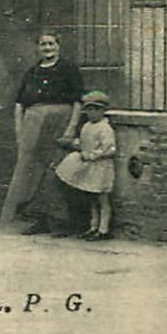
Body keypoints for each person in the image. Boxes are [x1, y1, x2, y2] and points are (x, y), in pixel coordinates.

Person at [6, 33, 85, 234]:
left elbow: (77, 102)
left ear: (58, 46)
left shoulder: (68, 69)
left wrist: (70, 129)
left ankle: (62, 222)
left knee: (57, 169)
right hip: (34, 126)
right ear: (38, 48)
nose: (47, 47)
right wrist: (19, 131)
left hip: (60, 124)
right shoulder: (32, 72)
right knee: (34, 171)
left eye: (51, 43)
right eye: (43, 44)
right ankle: (40, 220)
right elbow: (19, 104)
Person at [54, 90, 118, 241]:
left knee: (102, 199)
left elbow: (110, 149)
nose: (92, 113)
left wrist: (91, 155)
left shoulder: (105, 128)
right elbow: (83, 143)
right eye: (89, 109)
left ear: (103, 111)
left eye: (96, 109)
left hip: (101, 167)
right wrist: (74, 144)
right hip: (89, 167)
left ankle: (104, 229)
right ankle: (93, 227)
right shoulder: (87, 126)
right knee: (92, 198)